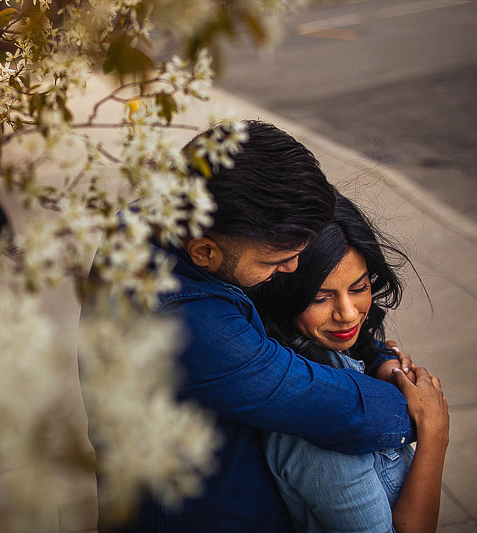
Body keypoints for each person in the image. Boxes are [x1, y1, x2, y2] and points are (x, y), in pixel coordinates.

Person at [86, 120, 417, 532]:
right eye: (276, 261)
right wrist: (418, 410)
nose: (293, 269)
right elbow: (333, 408)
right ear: (204, 251)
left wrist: (378, 356)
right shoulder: (187, 322)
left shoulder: (151, 221)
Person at [249, 192, 449, 532]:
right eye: (320, 298)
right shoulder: (319, 416)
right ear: (284, 296)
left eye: (359, 287)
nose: (347, 313)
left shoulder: (342, 356)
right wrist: (435, 432)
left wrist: (382, 364)